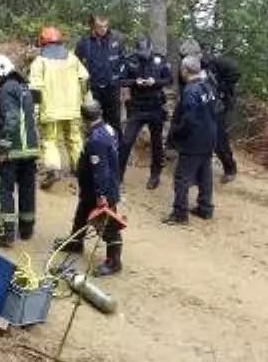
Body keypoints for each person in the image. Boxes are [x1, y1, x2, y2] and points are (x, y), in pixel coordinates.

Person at [59, 99, 125, 277]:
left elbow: (100, 170)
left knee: (108, 226)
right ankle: (76, 242)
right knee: (81, 214)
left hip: (100, 189)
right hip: (94, 188)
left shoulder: (95, 139)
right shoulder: (108, 129)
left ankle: (114, 261)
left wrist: (101, 195)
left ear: (83, 118)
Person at [0, 52, 40, 246]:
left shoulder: (6, 90)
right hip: (30, 151)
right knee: (27, 189)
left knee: (2, 190)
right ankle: (26, 229)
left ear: (1, 71)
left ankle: (5, 234)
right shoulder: (23, 87)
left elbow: (12, 119)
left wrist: (2, 148)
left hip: (12, 151)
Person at [28, 26, 89, 188]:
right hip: (73, 108)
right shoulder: (72, 59)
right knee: (75, 138)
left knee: (50, 140)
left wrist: (33, 112)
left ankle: (53, 169)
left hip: (50, 109)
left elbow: (35, 89)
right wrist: (87, 101)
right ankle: (80, 169)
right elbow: (85, 79)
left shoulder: (39, 62)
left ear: (42, 42)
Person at [178, 39, 241, 183]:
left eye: (188, 56)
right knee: (196, 136)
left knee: (218, 138)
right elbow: (183, 86)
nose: (185, 59)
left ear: (197, 54)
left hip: (218, 105)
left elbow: (235, 72)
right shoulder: (186, 67)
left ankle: (229, 167)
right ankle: (197, 172)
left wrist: (221, 89)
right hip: (198, 105)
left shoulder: (213, 62)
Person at [164, 56, 218, 225]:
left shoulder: (190, 91)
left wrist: (176, 135)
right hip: (209, 137)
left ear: (185, 70)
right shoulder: (208, 86)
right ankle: (205, 208)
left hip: (193, 141)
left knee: (181, 177)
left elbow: (189, 120)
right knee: (204, 173)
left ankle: (180, 213)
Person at [119, 35, 172, 189]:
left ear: (151, 48)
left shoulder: (160, 60)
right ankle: (118, 177)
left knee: (156, 143)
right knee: (126, 141)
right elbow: (121, 80)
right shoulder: (130, 60)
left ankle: (155, 175)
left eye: (147, 50)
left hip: (155, 106)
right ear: (137, 50)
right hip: (136, 107)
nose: (145, 54)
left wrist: (155, 82)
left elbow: (169, 80)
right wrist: (135, 82)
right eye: (141, 51)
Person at [75, 14, 126, 132]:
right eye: (99, 26)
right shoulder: (84, 41)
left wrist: (119, 79)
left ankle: (116, 148)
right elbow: (76, 63)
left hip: (112, 88)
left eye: (106, 26)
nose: (103, 29)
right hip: (93, 88)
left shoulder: (117, 38)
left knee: (114, 121)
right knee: (92, 121)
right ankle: (94, 147)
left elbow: (124, 61)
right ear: (93, 26)